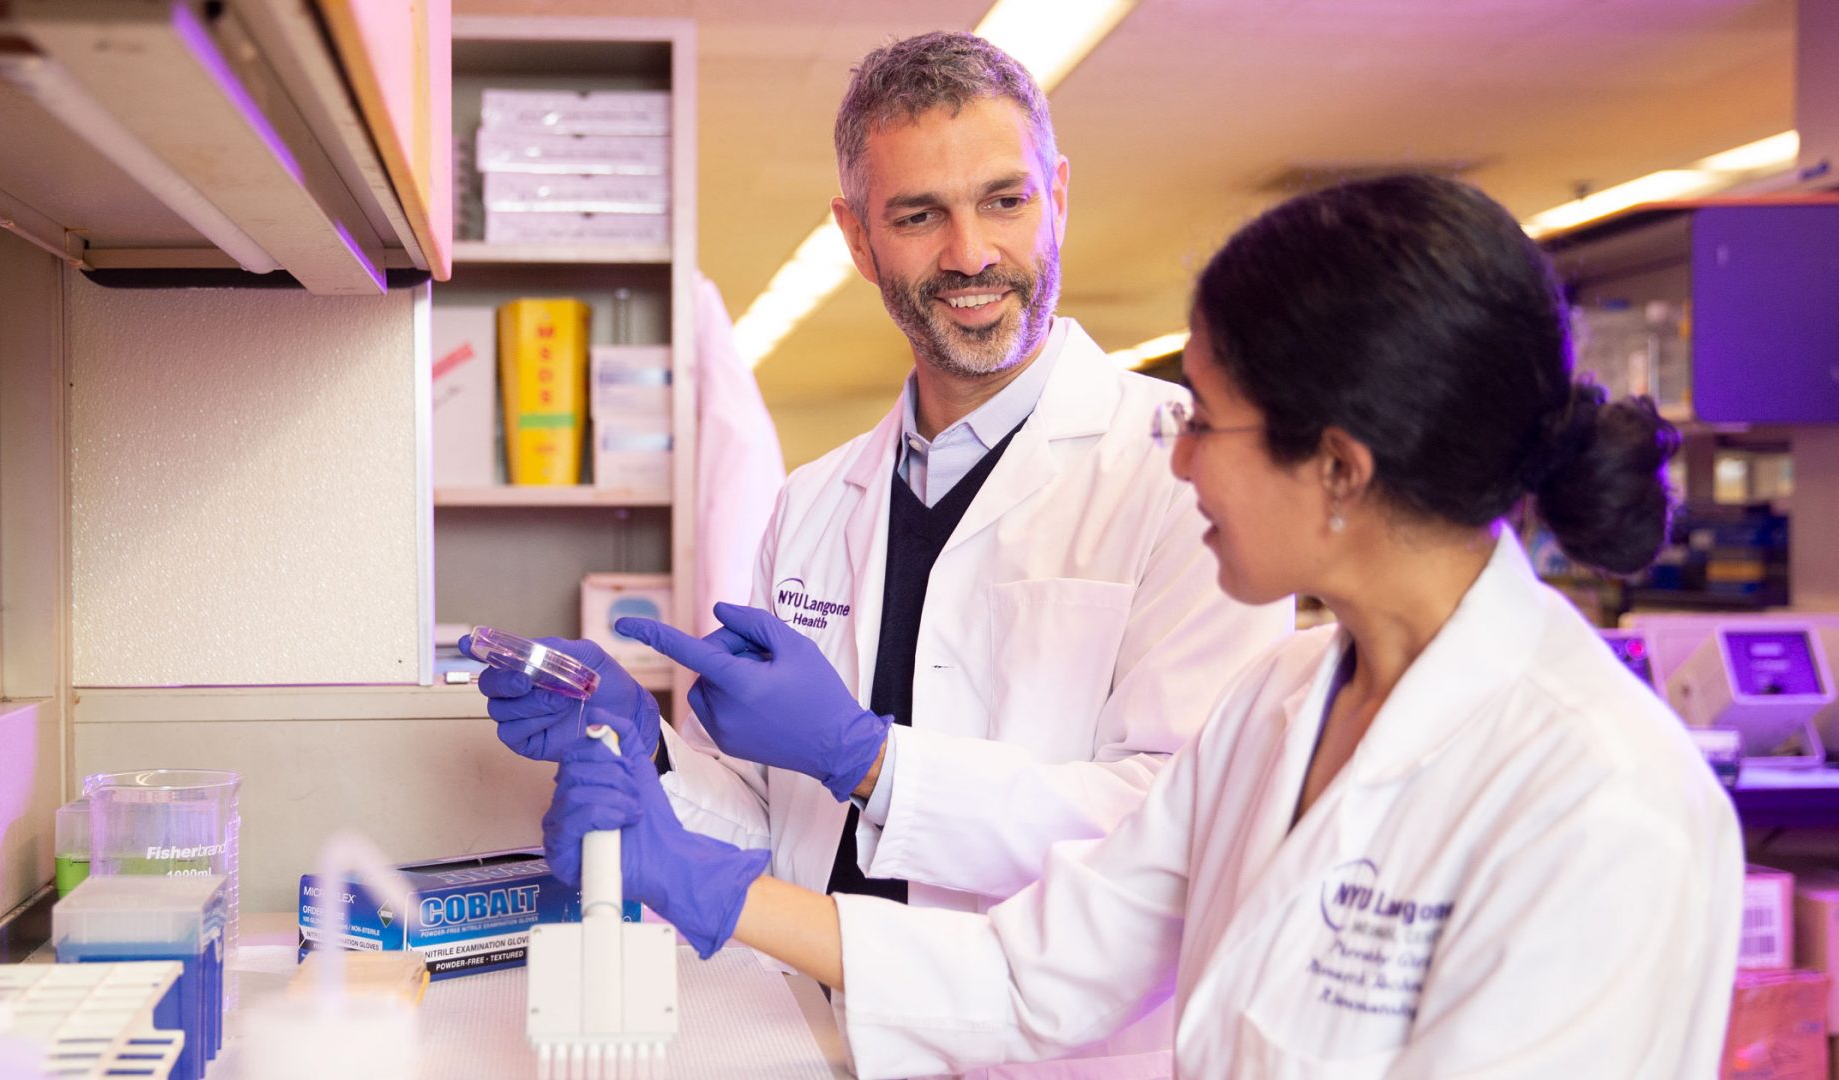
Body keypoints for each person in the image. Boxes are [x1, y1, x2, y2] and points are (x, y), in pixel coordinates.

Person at [540, 173, 1744, 1078]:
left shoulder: (1600, 800)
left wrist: (858, 763)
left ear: (1335, 466)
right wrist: (704, 880)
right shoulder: (1284, 702)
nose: (1175, 465)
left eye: (1203, 424)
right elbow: (1035, 971)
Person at [476, 30, 1289, 1078]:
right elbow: (777, 825)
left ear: (1060, 195)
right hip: (817, 1037)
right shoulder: (812, 504)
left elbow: (1174, 826)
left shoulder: (1193, 473)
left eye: (1006, 200)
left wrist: (872, 758)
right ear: (857, 237)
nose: (971, 253)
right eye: (919, 215)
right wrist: (649, 751)